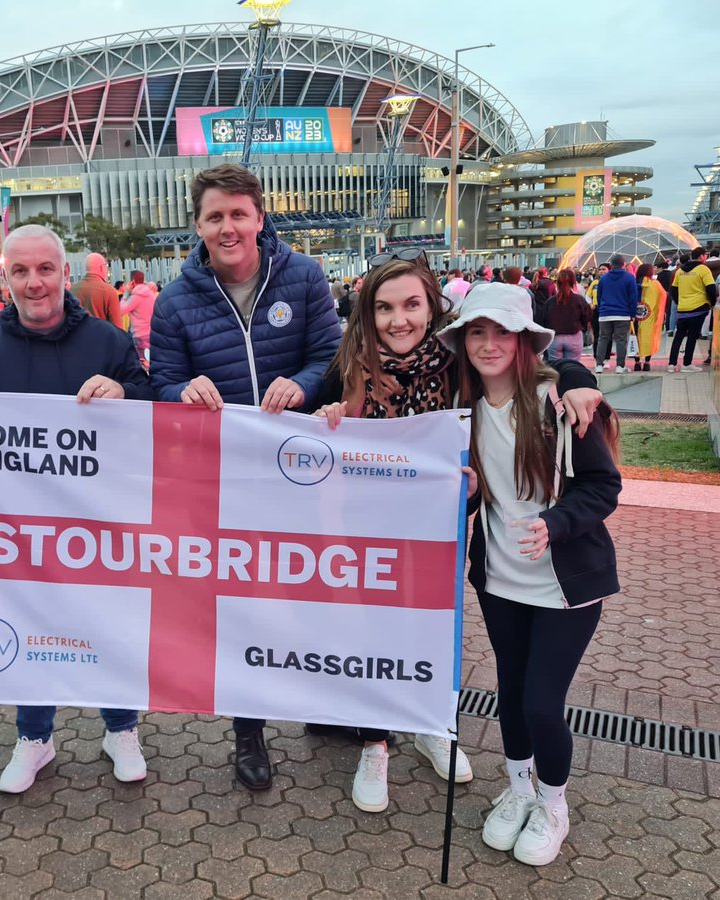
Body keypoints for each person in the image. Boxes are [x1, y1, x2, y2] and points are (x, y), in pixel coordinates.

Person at [314, 255, 604, 813]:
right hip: (367, 534)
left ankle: (432, 726)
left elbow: (525, 371)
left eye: (411, 305)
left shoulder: (457, 370)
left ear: (432, 307)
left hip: (437, 535)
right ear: (368, 315)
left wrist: (580, 379)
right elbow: (318, 428)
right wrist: (328, 412)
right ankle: (375, 745)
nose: (398, 320)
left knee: (433, 637)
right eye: (384, 308)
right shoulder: (350, 366)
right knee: (374, 638)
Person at [0, 223, 154, 795]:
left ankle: (121, 728)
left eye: (44, 269)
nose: (33, 283)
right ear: (4, 277)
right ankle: (35, 736)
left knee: (110, 623)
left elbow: (151, 401)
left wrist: (125, 394)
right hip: (20, 529)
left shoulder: (108, 342)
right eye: (20, 271)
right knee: (29, 623)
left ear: (65, 273)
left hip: (101, 520)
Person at [149, 163, 341, 791]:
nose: (227, 227)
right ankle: (249, 731)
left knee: (312, 588)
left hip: (303, 471)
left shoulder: (305, 277)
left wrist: (307, 384)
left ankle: (320, 704)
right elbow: (161, 383)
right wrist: (183, 389)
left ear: (260, 217)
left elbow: (330, 356)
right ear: (198, 224)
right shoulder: (175, 300)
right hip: (225, 479)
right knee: (240, 603)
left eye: (238, 214)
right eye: (214, 216)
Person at [438, 281, 620, 867]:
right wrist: (464, 495)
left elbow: (603, 486)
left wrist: (557, 522)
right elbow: (480, 495)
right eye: (477, 331)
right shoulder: (459, 412)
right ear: (464, 341)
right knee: (510, 695)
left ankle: (553, 803)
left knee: (543, 703)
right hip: (498, 582)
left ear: (525, 341)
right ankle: (517, 791)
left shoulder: (559, 401)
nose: (489, 344)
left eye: (502, 332)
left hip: (565, 585)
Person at [667, 246, 716, 372]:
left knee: (679, 336)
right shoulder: (703, 269)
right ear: (701, 256)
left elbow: (673, 289)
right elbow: (711, 288)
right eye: (705, 256)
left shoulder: (680, 271)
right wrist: (712, 303)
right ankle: (687, 364)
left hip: (683, 308)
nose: (706, 258)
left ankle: (672, 364)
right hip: (698, 308)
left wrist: (679, 302)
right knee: (692, 336)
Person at [594, 256, 638, 373]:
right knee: (621, 340)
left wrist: (602, 309)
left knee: (603, 339)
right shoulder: (629, 278)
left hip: (605, 314)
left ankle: (599, 364)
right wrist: (632, 314)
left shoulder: (603, 279)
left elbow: (599, 296)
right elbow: (633, 298)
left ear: (611, 264)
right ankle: (620, 366)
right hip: (622, 314)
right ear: (623, 264)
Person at [545, 269, 590, 363]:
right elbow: (587, 317)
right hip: (574, 336)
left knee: (555, 367)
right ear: (573, 282)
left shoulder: (550, 301)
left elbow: (544, 319)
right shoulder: (579, 300)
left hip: (555, 337)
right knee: (572, 367)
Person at [632, 263, 667, 371]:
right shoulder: (655, 284)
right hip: (650, 317)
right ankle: (647, 363)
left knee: (635, 337)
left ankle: (637, 363)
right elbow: (663, 296)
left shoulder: (633, 283)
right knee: (649, 338)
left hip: (634, 317)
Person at [72, 252, 123, 326]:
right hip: (103, 336)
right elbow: (118, 328)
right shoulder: (109, 291)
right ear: (102, 267)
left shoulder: (72, 290)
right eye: (106, 266)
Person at [122, 280, 156, 366]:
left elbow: (121, 310)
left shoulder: (136, 298)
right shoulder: (154, 298)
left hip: (139, 334)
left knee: (141, 363)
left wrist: (125, 295)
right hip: (152, 334)